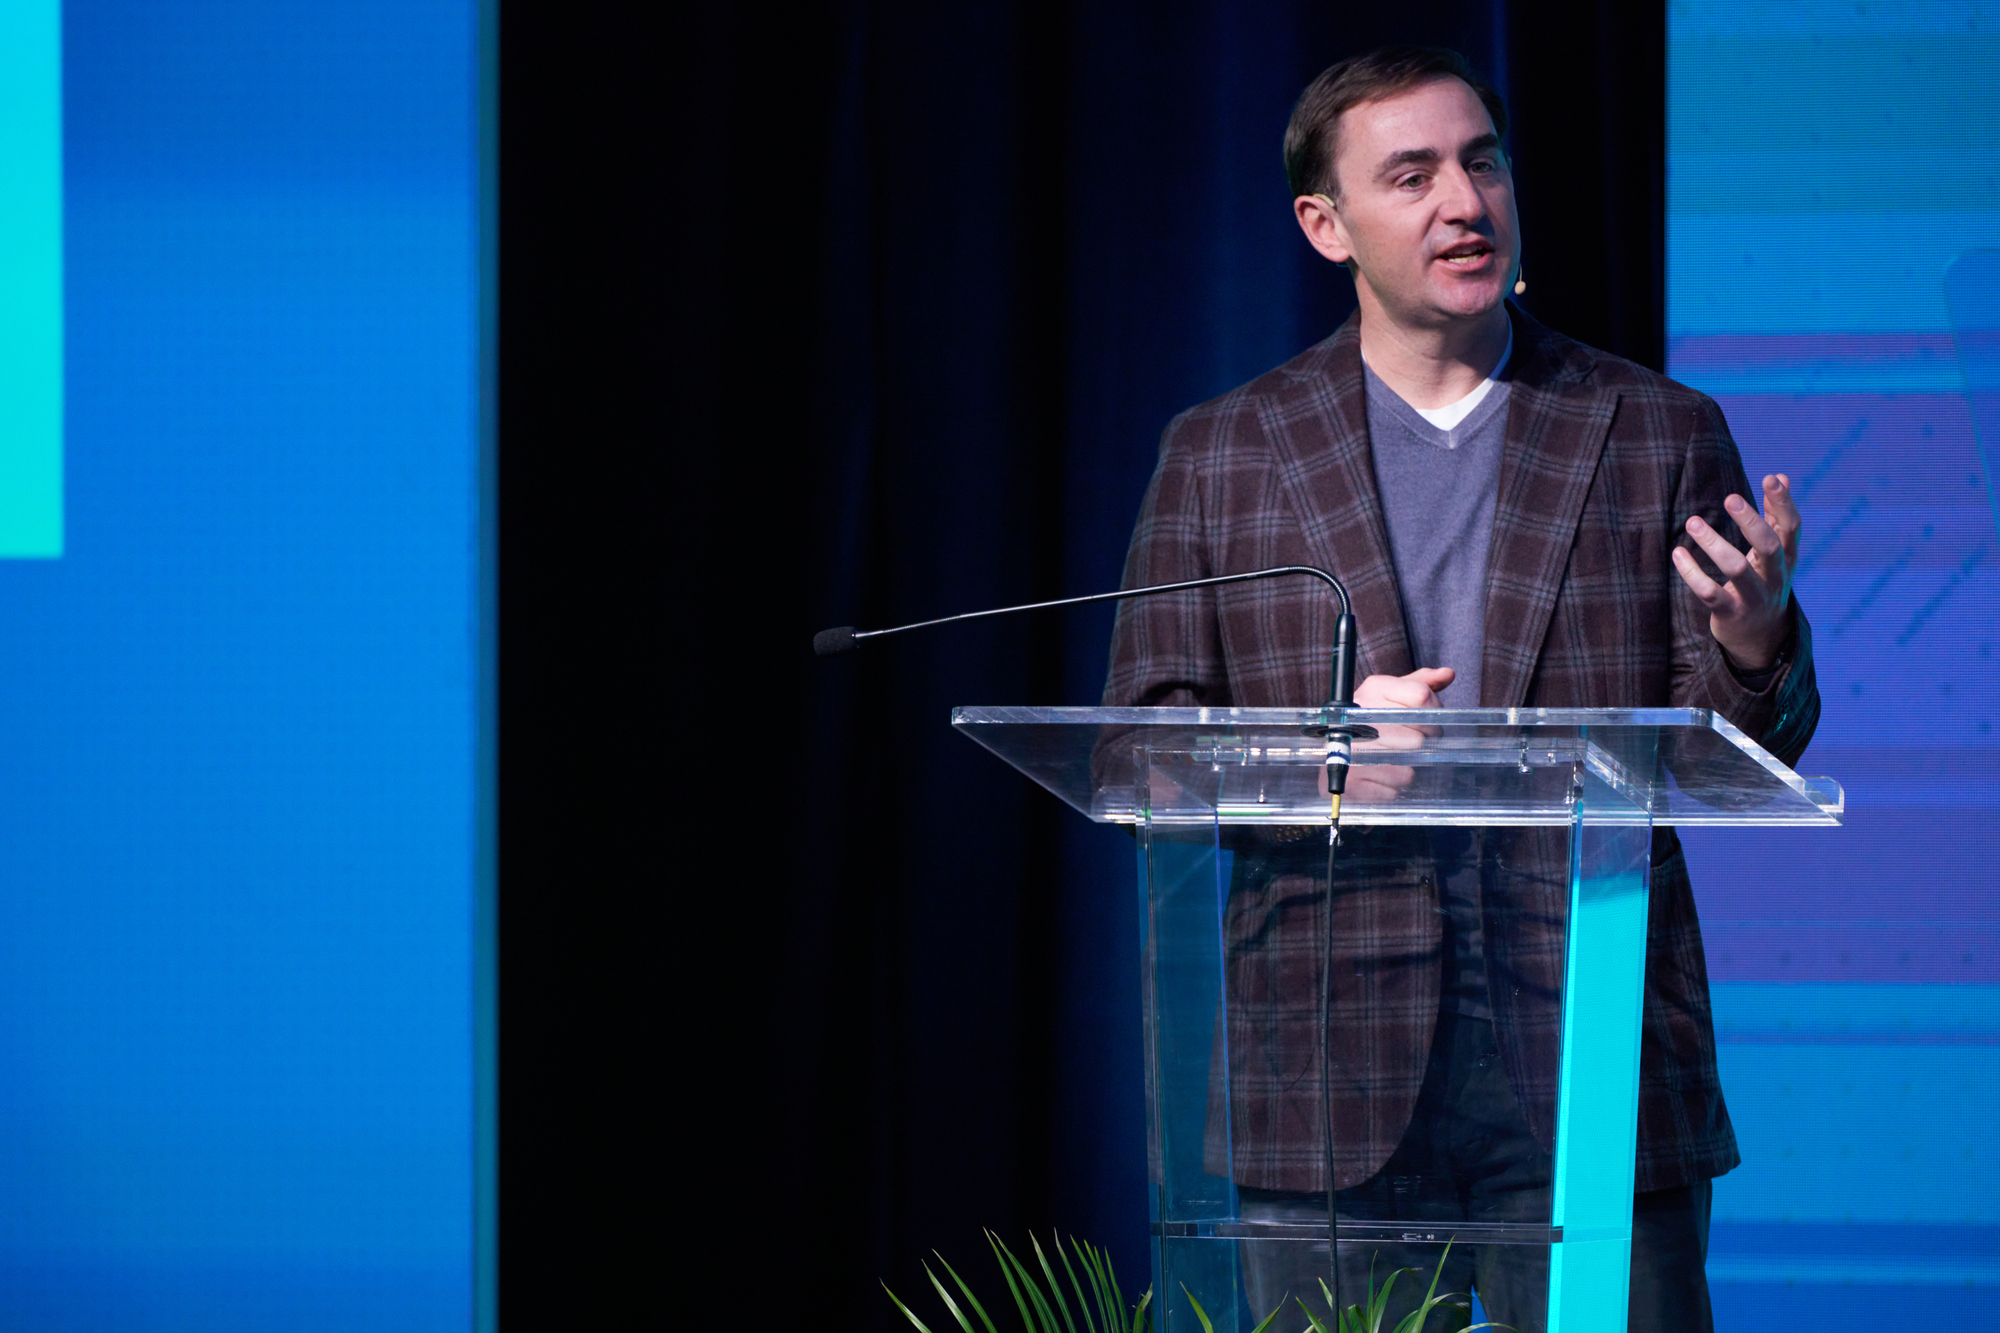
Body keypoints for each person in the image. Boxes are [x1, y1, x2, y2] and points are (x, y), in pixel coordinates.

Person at [1102, 47, 1818, 1333]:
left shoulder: (1654, 426)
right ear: (1326, 225)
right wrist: (1324, 762)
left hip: (1590, 1048)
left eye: (1481, 160)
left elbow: (1729, 750)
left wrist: (1755, 640)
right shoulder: (1223, 451)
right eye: (1412, 173)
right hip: (1322, 1060)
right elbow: (1133, 759)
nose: (1463, 200)